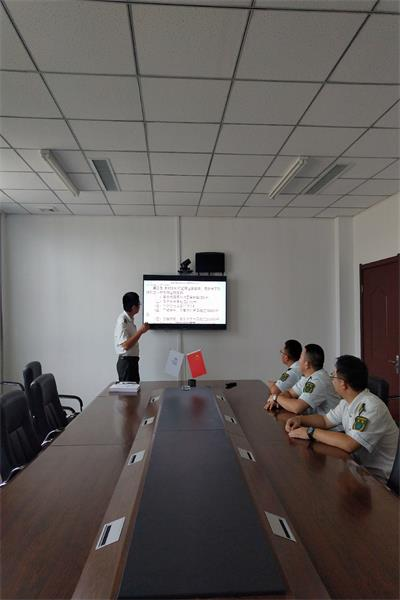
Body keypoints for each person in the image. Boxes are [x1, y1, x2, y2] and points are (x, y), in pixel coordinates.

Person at [285, 355, 399, 483]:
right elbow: (325, 421)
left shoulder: (371, 407)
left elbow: (350, 444)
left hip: (378, 479)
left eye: (333, 376)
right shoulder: (346, 402)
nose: (331, 379)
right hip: (358, 469)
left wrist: (310, 432)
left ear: (343, 383)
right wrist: (300, 419)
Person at [265, 343, 340, 415]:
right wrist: (278, 401)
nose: (298, 361)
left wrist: (276, 398)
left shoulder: (318, 380)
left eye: (300, 358)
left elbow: (297, 408)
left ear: (307, 364)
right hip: (314, 420)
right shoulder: (308, 377)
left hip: (327, 424)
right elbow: (290, 393)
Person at [114, 292, 150, 382]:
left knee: (134, 389)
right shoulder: (122, 320)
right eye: (139, 304)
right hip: (127, 363)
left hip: (131, 362)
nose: (140, 306)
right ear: (134, 307)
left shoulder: (129, 320)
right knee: (129, 390)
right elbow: (125, 345)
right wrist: (140, 331)